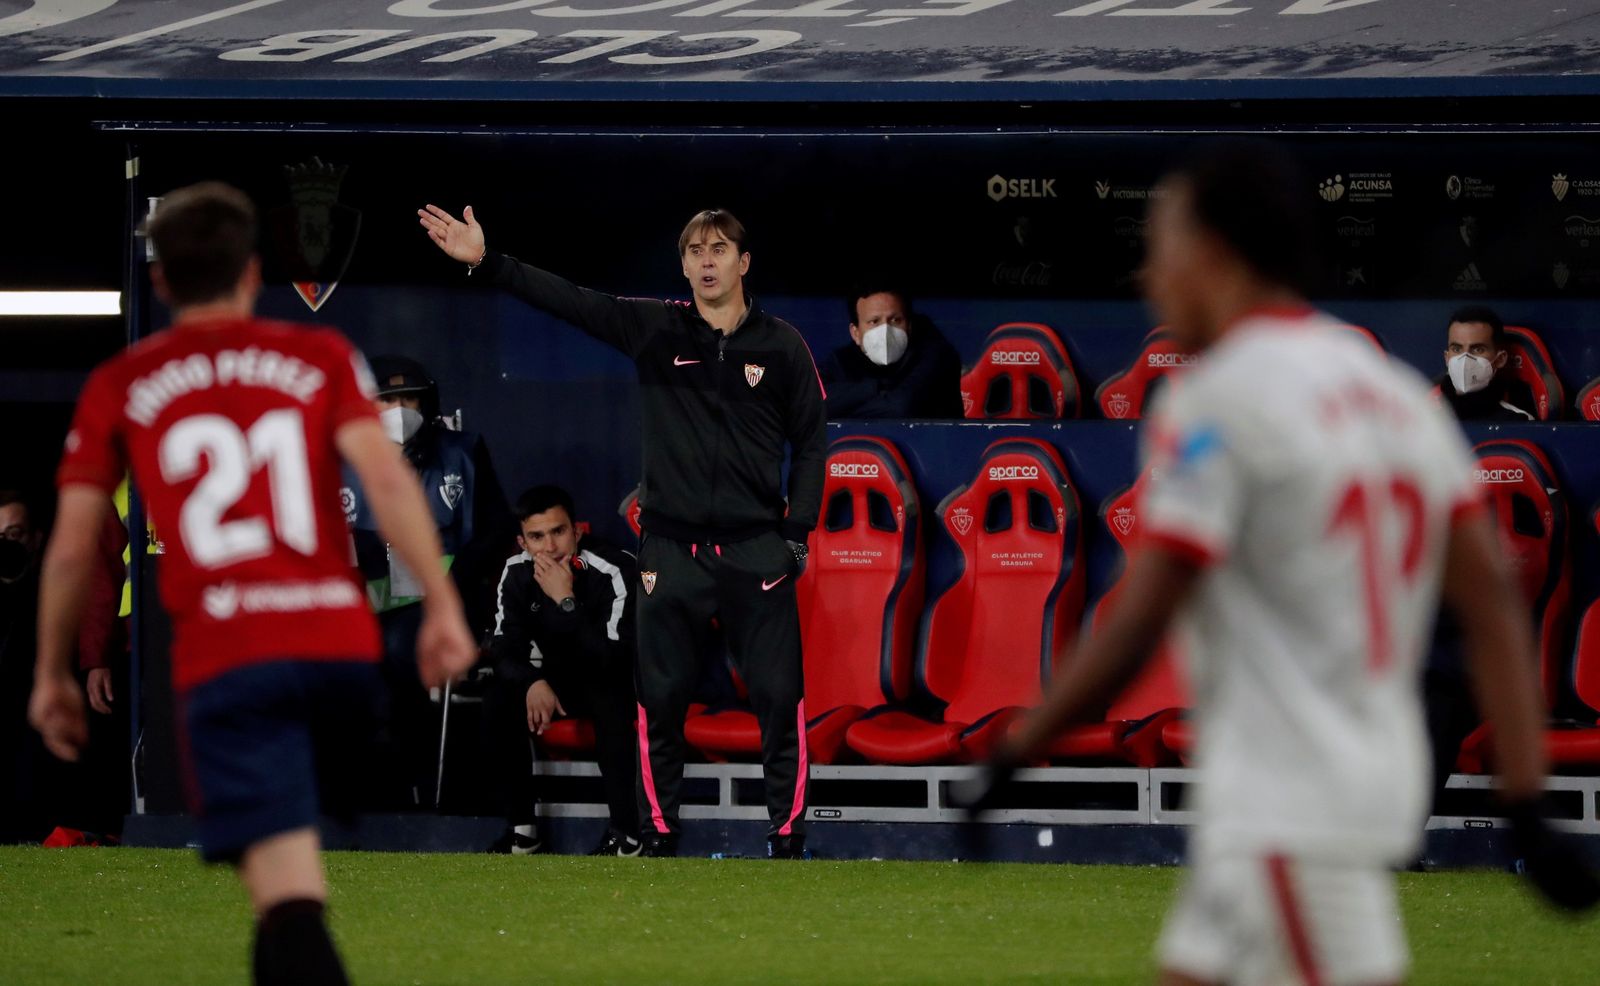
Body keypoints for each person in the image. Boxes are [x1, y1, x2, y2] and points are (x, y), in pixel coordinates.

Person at [958, 142, 1598, 986]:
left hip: (1291, 800)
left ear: (1215, 251)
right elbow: (1491, 607)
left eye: (1161, 247)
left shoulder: (1222, 394)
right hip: (1333, 786)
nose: (1149, 276)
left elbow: (1143, 612)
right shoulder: (1392, 392)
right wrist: (1525, 806)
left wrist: (1014, 751)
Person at [30, 182, 477, 986]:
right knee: (287, 884)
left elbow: (70, 550)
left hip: (233, 659)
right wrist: (443, 606)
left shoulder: (123, 383)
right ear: (252, 273)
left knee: (287, 900)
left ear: (161, 280)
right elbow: (387, 480)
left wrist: (51, 668)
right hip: (339, 657)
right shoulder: (319, 356)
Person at [418, 203, 825, 858]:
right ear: (684, 265)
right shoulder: (655, 328)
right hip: (670, 549)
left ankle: (787, 837)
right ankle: (658, 835)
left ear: (744, 263)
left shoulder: (782, 346)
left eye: (719, 249)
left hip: (758, 550)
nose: (707, 261)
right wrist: (490, 263)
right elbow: (574, 301)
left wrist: (796, 536)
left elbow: (810, 445)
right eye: (695, 251)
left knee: (780, 698)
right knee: (659, 702)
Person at [341, 353, 512, 807]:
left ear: (427, 402)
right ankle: (361, 797)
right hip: (362, 607)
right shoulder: (341, 459)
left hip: (446, 604)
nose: (399, 409)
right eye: (387, 399)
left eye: (409, 398)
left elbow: (496, 530)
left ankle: (409, 794)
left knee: (399, 653)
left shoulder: (463, 451)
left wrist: (452, 587)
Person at [485, 484, 640, 856]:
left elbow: (611, 658)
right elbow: (505, 650)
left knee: (608, 693)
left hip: (615, 680)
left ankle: (626, 834)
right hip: (559, 681)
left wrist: (566, 601)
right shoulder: (516, 572)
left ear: (577, 531)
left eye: (558, 532)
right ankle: (523, 832)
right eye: (536, 537)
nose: (549, 547)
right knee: (498, 697)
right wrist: (532, 681)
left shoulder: (614, 568)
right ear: (522, 542)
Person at [819, 284, 963, 419]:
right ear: (855, 333)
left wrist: (842, 407)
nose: (885, 331)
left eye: (895, 320)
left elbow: (901, 408)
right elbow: (812, 404)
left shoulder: (936, 354)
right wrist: (876, 388)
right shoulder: (842, 360)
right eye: (874, 322)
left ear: (909, 326)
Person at [1437, 305, 1535, 422]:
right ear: (1447, 358)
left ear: (1500, 359)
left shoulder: (1518, 421)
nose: (1465, 359)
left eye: (1478, 349)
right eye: (1457, 349)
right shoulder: (1425, 423)